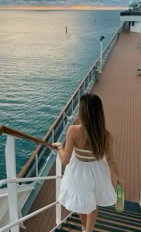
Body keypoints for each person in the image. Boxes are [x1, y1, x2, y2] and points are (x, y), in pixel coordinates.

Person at [53, 93, 121, 232]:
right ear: (99, 112)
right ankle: (87, 230)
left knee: (82, 201)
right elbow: (111, 160)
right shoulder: (106, 135)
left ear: (82, 113)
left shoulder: (73, 131)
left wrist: (60, 147)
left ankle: (85, 228)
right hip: (98, 171)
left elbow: (65, 160)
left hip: (78, 172)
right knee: (93, 204)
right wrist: (119, 178)